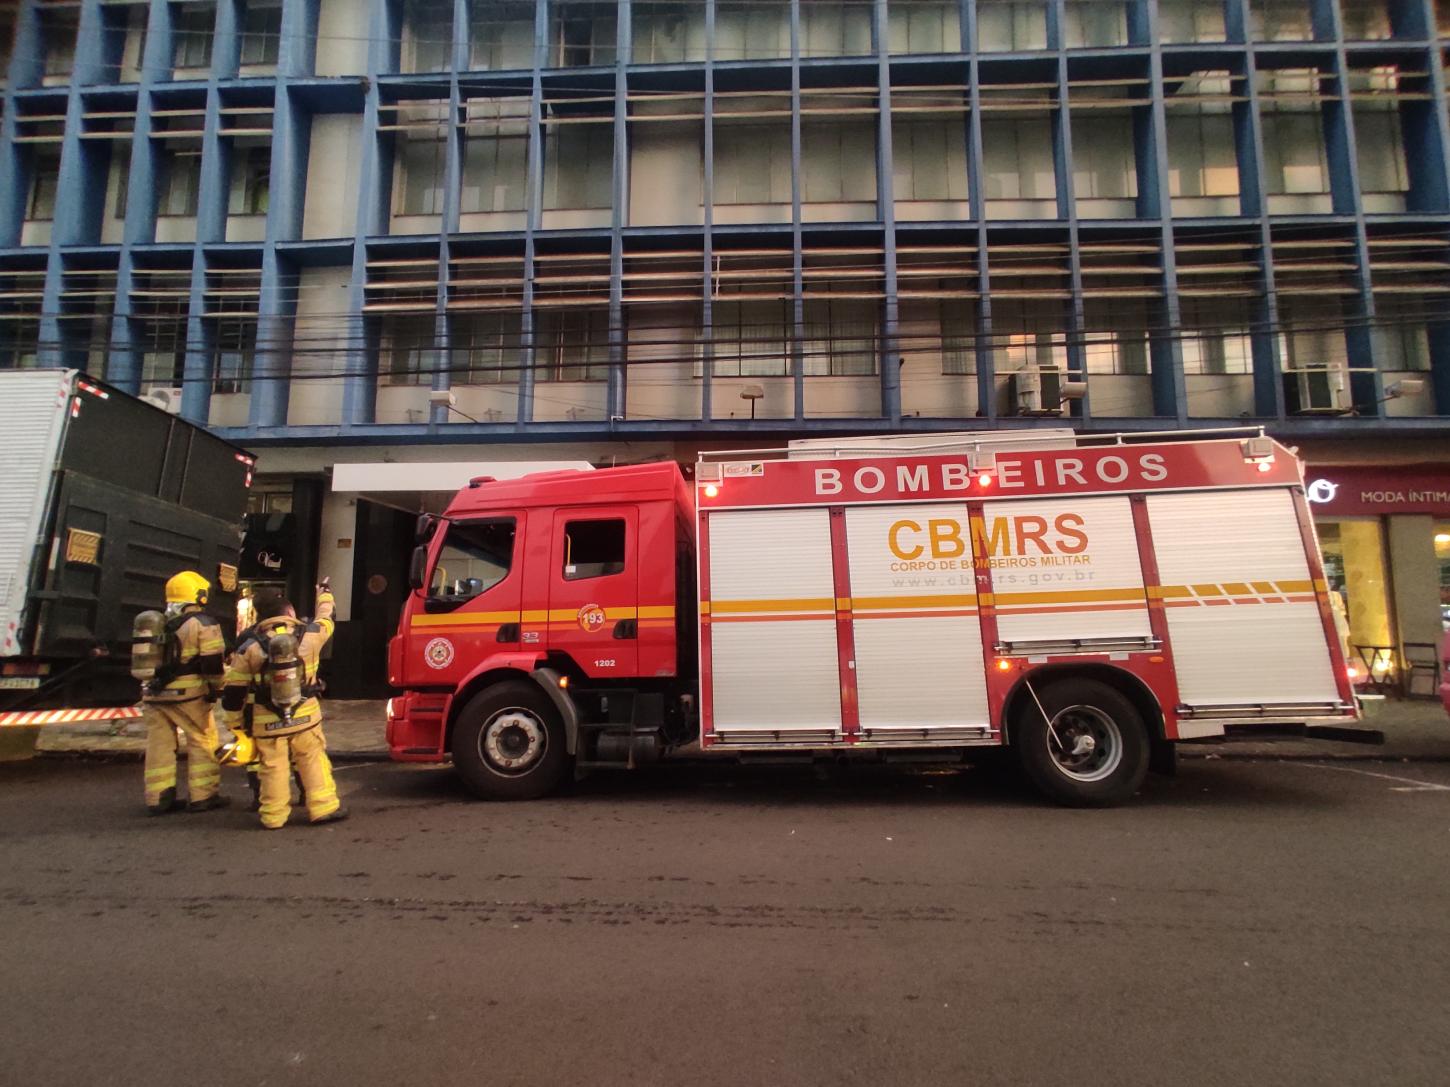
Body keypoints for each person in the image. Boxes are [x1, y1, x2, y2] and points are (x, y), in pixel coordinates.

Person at [218, 580, 345, 829]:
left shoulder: (249, 647)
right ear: (289, 612)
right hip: (306, 717)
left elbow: (234, 691)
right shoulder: (309, 635)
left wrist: (236, 725)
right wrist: (324, 594)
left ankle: (273, 816)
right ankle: (323, 807)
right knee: (312, 759)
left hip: (267, 721)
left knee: (272, 767)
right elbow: (326, 618)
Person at [141, 571, 229, 815]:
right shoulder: (203, 623)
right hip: (188, 695)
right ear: (199, 595)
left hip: (154, 693)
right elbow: (212, 663)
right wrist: (218, 687)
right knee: (202, 741)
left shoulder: (156, 623)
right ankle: (203, 796)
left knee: (159, 746)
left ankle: (158, 798)